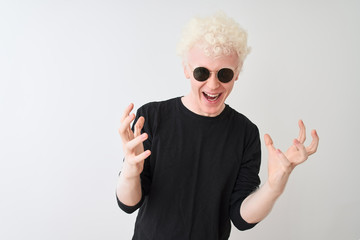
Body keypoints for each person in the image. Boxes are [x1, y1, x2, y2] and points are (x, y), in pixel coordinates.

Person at [116, 12, 319, 240]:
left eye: (224, 74)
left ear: (237, 74)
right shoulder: (152, 117)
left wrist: (274, 187)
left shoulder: (245, 133)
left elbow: (241, 218)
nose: (213, 84)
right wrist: (130, 172)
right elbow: (129, 204)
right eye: (202, 72)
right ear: (186, 70)